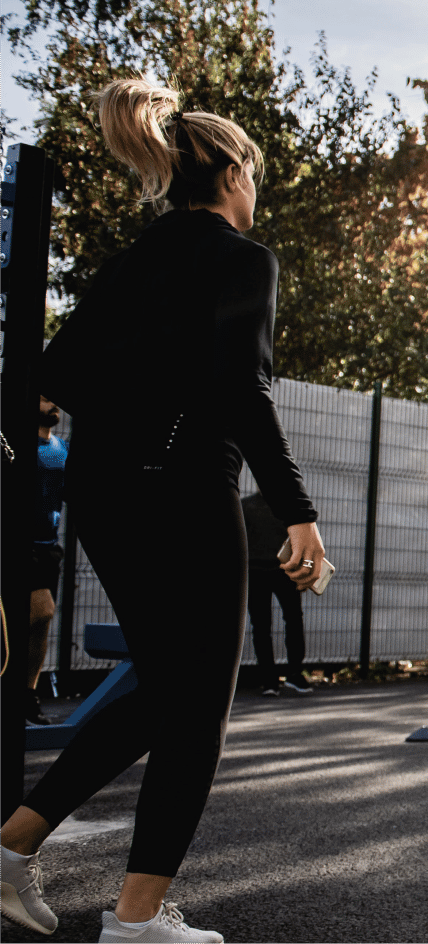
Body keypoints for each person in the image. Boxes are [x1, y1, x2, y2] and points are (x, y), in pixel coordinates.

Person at [1, 78, 327, 944]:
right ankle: (138, 920)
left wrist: (142, 393)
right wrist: (297, 512)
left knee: (162, 691)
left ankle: (10, 850)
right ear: (227, 174)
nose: (254, 192)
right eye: (252, 174)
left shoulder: (134, 260)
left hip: (103, 496)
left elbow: (58, 375)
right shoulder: (241, 260)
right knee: (199, 707)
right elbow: (246, 391)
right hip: (186, 491)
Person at [24, 397, 68, 725]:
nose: (53, 403)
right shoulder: (12, 442)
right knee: (42, 610)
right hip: (19, 546)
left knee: (41, 624)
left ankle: (27, 693)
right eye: (44, 397)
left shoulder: (62, 448)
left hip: (49, 546)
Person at [242, 493, 311, 696]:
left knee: (261, 627)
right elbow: (301, 541)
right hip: (285, 571)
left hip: (256, 571)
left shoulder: (246, 506)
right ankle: (295, 674)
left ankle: (269, 681)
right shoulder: (289, 506)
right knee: (293, 620)